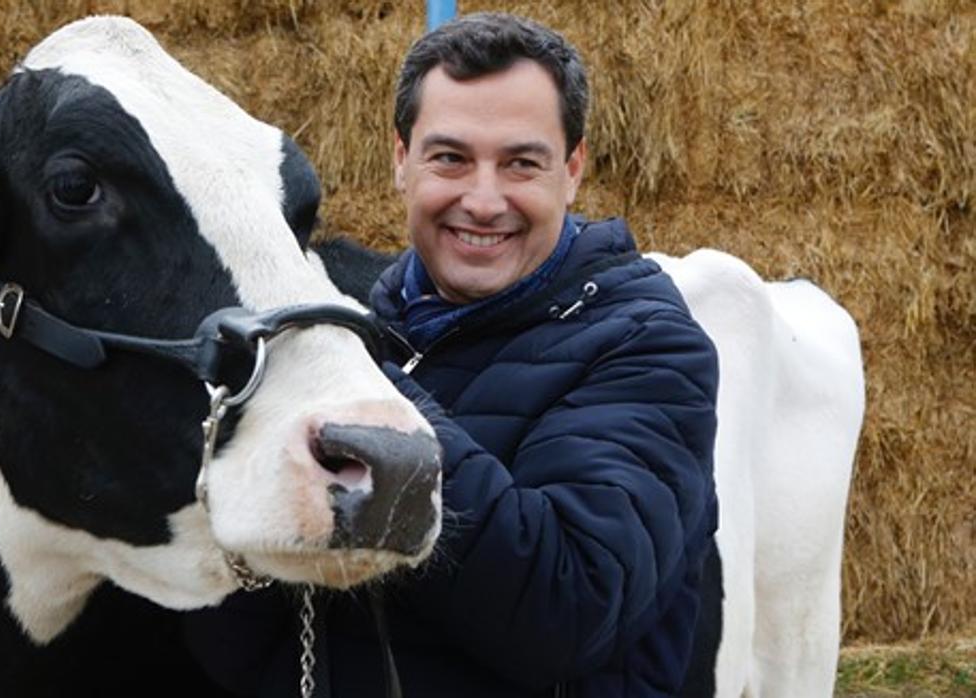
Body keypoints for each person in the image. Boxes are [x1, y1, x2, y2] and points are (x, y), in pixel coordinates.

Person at [185, 12, 719, 697]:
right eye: (451, 158)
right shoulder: (373, 330)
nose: (484, 200)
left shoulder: (646, 346)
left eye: (522, 163)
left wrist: (356, 387)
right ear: (402, 160)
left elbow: (565, 610)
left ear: (574, 170)